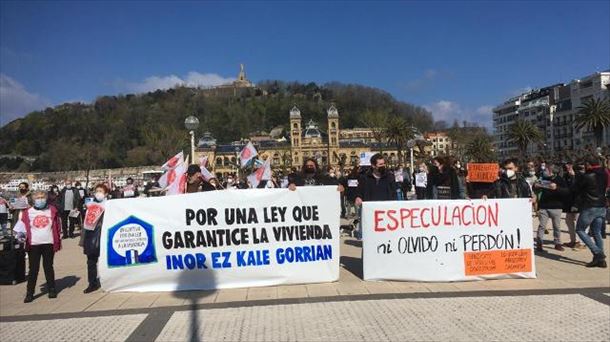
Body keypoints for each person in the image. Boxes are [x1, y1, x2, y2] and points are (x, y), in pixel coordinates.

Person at [13, 190, 62, 303]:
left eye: (42, 197)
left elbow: (57, 225)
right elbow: (21, 228)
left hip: (48, 242)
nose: (40, 200)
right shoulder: (27, 212)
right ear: (33, 200)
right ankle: (30, 292)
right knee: (33, 269)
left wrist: (58, 238)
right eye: (38, 198)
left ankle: (52, 289)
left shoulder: (52, 210)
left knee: (48, 267)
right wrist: (21, 238)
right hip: (34, 244)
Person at [572, 157, 608, 268]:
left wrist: (575, 176)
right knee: (596, 232)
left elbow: (575, 189)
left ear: (588, 164)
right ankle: (600, 261)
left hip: (590, 206)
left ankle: (598, 253)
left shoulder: (587, 176)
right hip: (602, 206)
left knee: (580, 230)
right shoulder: (604, 174)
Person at [354, 154, 397, 239]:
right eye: (380, 164)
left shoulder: (390, 176)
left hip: (386, 212)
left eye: (384, 163)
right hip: (370, 212)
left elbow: (393, 193)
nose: (383, 166)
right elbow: (359, 191)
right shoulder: (365, 177)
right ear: (373, 165)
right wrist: (358, 197)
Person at [533, 163, 568, 252]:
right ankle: (539, 243)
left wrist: (556, 188)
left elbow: (566, 192)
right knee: (542, 226)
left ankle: (557, 243)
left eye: (546, 169)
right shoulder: (542, 179)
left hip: (556, 207)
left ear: (551, 171)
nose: (544, 171)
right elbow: (535, 188)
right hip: (544, 206)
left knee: (556, 226)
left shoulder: (560, 179)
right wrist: (535, 186)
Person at [81, 184, 108, 293]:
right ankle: (92, 283)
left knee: (104, 260)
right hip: (91, 234)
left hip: (103, 234)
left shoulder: (109, 205)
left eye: (101, 191)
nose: (98, 193)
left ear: (106, 194)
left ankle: (106, 280)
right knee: (91, 261)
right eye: (97, 191)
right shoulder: (90, 205)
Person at [562, 162, 582, 249]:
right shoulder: (566, 175)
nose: (567, 167)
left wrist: (573, 177)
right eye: (566, 165)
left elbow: (577, 188)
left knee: (579, 222)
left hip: (578, 202)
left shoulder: (579, 175)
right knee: (568, 221)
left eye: (569, 165)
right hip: (569, 202)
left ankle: (579, 242)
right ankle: (573, 240)